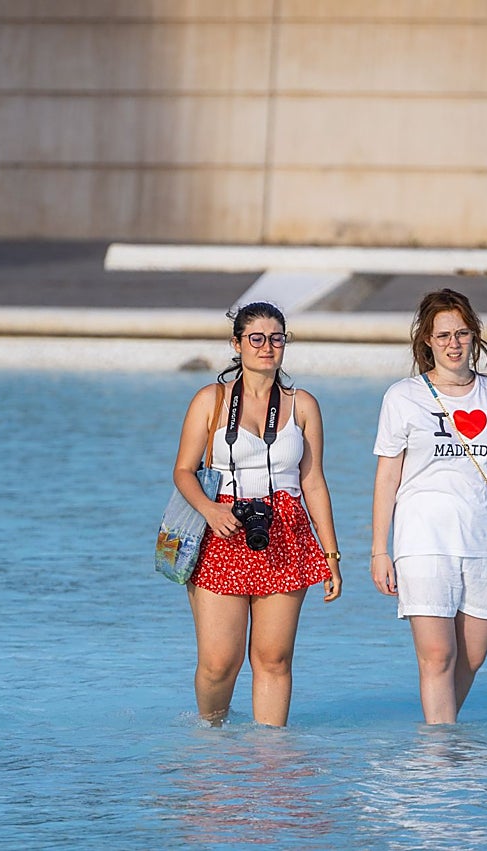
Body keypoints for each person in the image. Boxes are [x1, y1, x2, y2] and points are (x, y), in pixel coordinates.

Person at [371, 288, 487, 724]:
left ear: (474, 336)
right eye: (443, 335)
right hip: (422, 541)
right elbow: (387, 477)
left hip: (484, 541)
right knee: (437, 655)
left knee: (472, 657)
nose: (454, 344)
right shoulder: (403, 396)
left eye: (462, 333)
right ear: (427, 341)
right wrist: (379, 549)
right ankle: (440, 753)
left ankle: (441, 736)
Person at [172, 302, 343, 726]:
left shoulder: (302, 404)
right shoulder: (210, 400)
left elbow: (314, 482)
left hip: (285, 531)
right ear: (237, 344)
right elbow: (183, 471)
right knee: (219, 662)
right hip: (222, 528)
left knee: (274, 658)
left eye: (276, 338)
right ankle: (211, 736)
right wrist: (210, 510)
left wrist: (331, 555)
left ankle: (270, 753)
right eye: (257, 338)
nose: (267, 347)